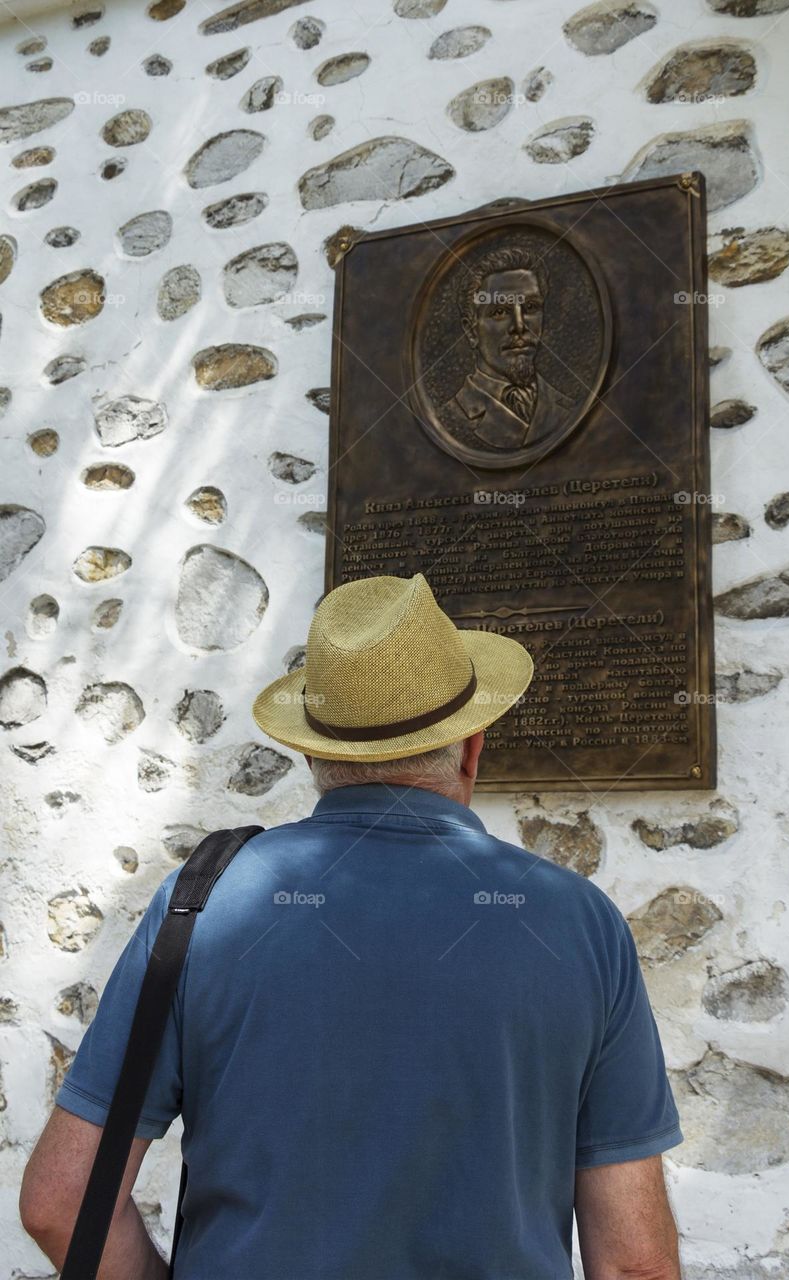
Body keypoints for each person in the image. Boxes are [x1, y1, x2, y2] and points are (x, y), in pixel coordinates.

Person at [19, 572, 683, 1280]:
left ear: (314, 754)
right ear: (471, 747)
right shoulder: (577, 924)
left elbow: (62, 1203)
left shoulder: (205, 902)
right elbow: (633, 1264)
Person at [441, 246, 575, 450]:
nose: (520, 326)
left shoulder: (570, 407)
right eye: (500, 311)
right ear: (471, 330)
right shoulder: (447, 420)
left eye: (530, 308)